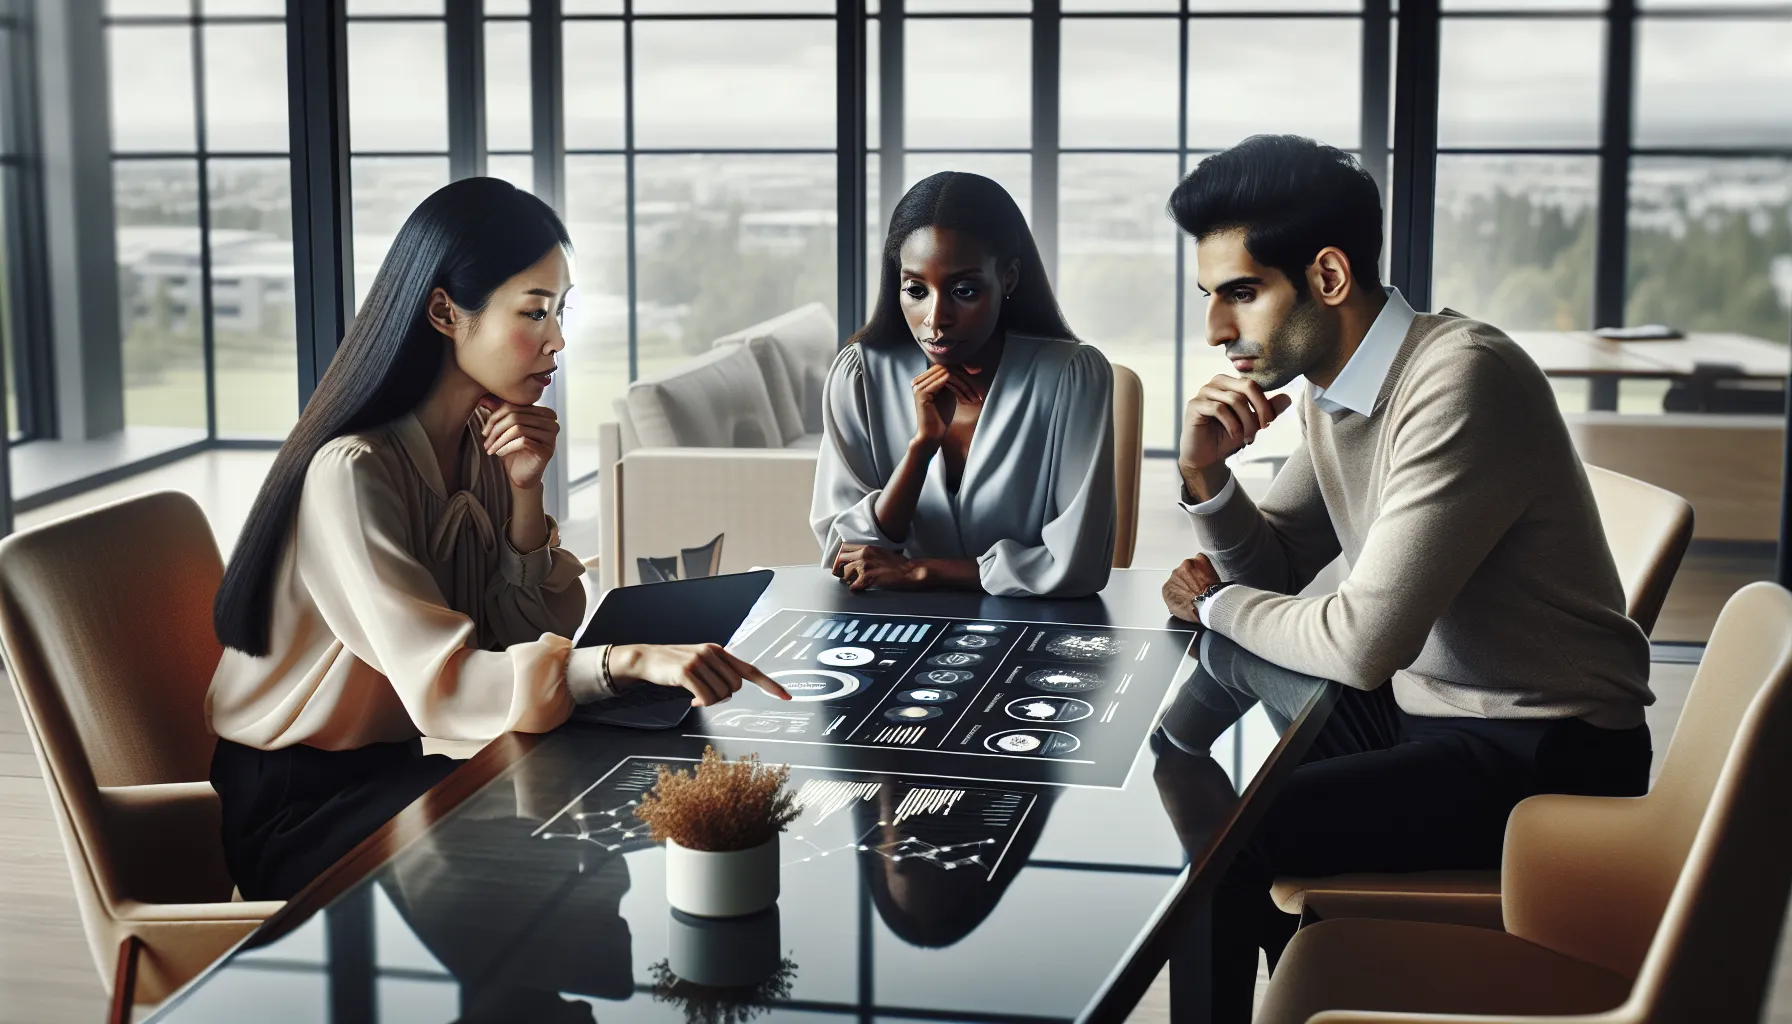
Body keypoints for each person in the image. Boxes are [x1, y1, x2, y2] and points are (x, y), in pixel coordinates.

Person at [1156, 135, 1654, 1021]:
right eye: (1210, 297)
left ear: (1331, 278)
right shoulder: (1332, 387)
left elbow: (1357, 641)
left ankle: (1293, 957)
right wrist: (1206, 479)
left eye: (1240, 293)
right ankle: (1309, 958)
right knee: (1229, 682)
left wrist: (1224, 605)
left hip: (1544, 754)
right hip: (1430, 709)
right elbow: (1278, 562)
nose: (1215, 331)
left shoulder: (1459, 379)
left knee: (1231, 838)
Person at [207, 177, 788, 902]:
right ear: (446, 312)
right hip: (298, 806)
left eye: (560, 310)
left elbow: (529, 637)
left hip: (397, 767)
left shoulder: (486, 445)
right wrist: (626, 658)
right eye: (534, 311)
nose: (558, 339)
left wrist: (523, 491)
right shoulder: (351, 472)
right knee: (564, 859)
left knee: (597, 818)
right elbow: (445, 685)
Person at [811, 171, 1115, 599]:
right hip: (889, 625)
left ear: (1008, 279)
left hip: (1030, 628)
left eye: (965, 290)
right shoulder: (860, 374)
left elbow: (1077, 567)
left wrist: (920, 571)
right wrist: (920, 451)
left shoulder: (1072, 377)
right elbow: (845, 554)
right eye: (916, 290)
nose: (936, 320)